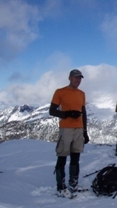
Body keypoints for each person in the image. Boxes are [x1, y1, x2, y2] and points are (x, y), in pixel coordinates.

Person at [49, 69, 90, 197]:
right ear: (69, 78)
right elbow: (52, 111)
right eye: (75, 78)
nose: (78, 80)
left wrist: (85, 131)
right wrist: (67, 114)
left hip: (78, 129)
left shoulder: (82, 94)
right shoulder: (60, 92)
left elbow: (83, 113)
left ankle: (73, 185)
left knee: (75, 158)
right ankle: (61, 187)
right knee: (62, 157)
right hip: (66, 129)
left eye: (80, 78)